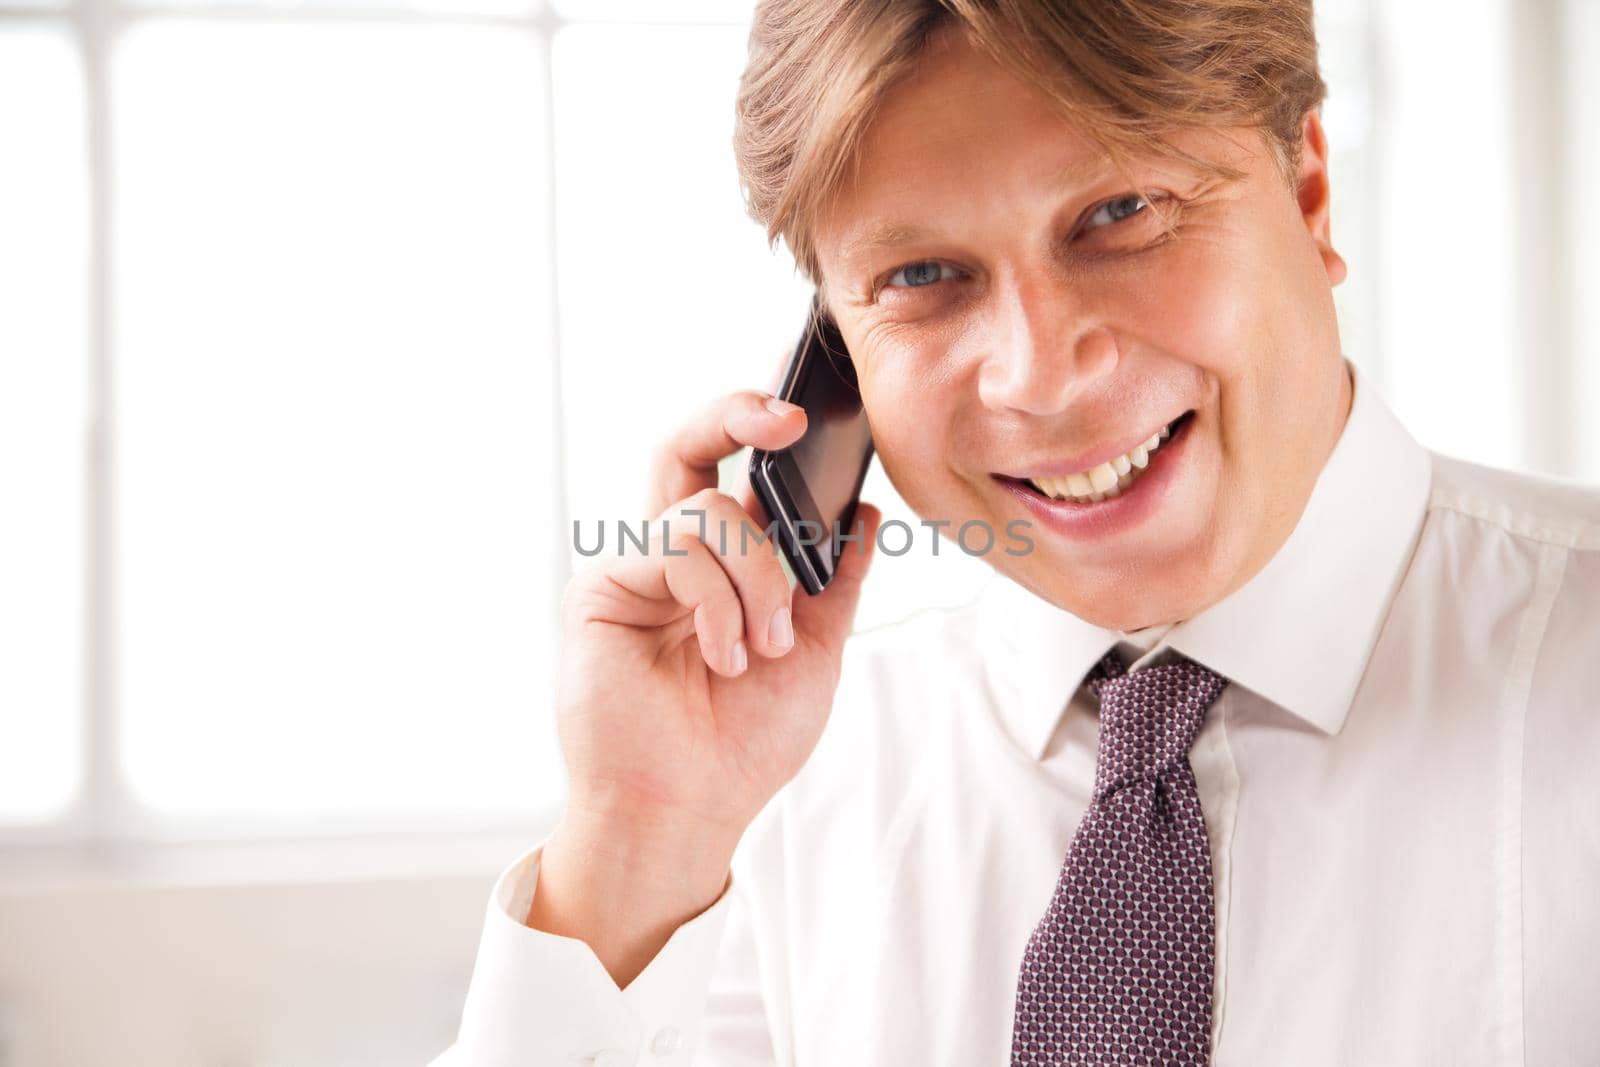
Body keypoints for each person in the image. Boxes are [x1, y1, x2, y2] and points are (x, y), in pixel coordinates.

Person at [434, 1, 1600, 1064]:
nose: (1038, 377)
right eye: (922, 274)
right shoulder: (774, 805)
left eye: (1122, 213)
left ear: (1307, 198)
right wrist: (639, 841)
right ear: (837, 350)